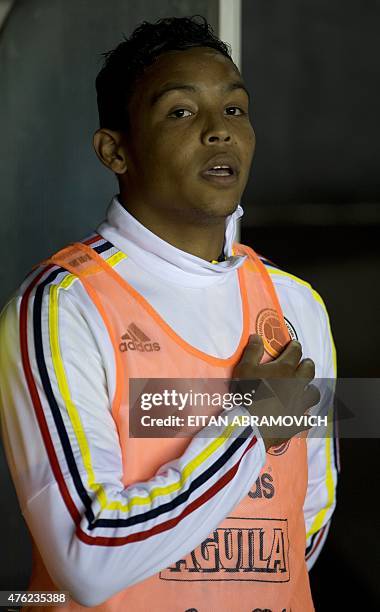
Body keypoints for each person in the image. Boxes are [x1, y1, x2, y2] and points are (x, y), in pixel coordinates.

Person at [0, 15, 338, 612]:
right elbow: (89, 552)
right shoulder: (61, 306)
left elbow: (301, 529)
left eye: (235, 110)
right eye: (181, 112)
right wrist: (248, 425)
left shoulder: (297, 306)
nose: (219, 133)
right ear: (116, 150)